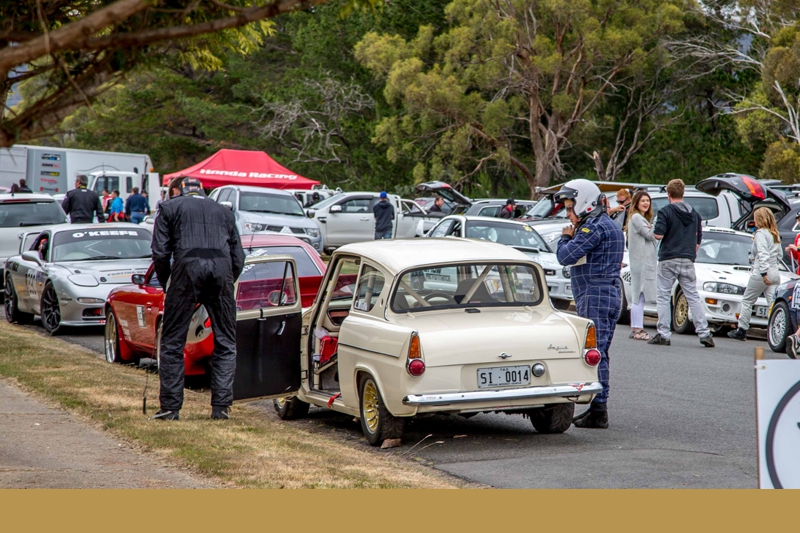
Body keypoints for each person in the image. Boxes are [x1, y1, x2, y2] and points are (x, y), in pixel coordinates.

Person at [151, 177, 245, 421]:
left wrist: (166, 284)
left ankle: (171, 408)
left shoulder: (169, 207)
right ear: (203, 191)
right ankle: (221, 408)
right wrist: (227, 282)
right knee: (226, 341)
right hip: (222, 270)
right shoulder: (224, 212)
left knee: (172, 340)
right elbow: (238, 257)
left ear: (176, 190)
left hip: (186, 269)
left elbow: (160, 252)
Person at [555, 179, 625, 429]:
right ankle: (597, 407)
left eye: (570, 206)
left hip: (596, 294)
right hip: (604, 293)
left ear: (584, 202)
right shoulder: (608, 224)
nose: (568, 212)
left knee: (596, 354)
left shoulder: (594, 227)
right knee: (599, 351)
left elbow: (565, 256)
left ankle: (599, 411)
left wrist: (565, 237)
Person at [648, 179, 715, 348]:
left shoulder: (665, 212)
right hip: (687, 258)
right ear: (683, 193)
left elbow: (658, 235)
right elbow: (698, 242)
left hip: (668, 258)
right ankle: (704, 332)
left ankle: (664, 334)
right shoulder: (695, 214)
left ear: (668, 194)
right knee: (692, 296)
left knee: (663, 296)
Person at [728, 208, 782, 341]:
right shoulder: (775, 234)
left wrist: (763, 273)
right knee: (773, 304)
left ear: (760, 219)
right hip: (775, 271)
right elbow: (780, 255)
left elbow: (763, 253)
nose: (754, 221)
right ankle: (777, 332)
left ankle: (742, 329)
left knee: (747, 300)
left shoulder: (760, 234)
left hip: (762, 271)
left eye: (756, 218)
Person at [625, 190, 658, 341]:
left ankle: (636, 328)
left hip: (640, 262)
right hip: (641, 263)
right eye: (643, 200)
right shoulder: (637, 218)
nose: (646, 203)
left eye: (648, 200)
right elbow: (650, 236)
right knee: (639, 296)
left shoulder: (639, 219)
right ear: (636, 203)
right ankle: (637, 329)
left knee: (639, 295)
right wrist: (655, 227)